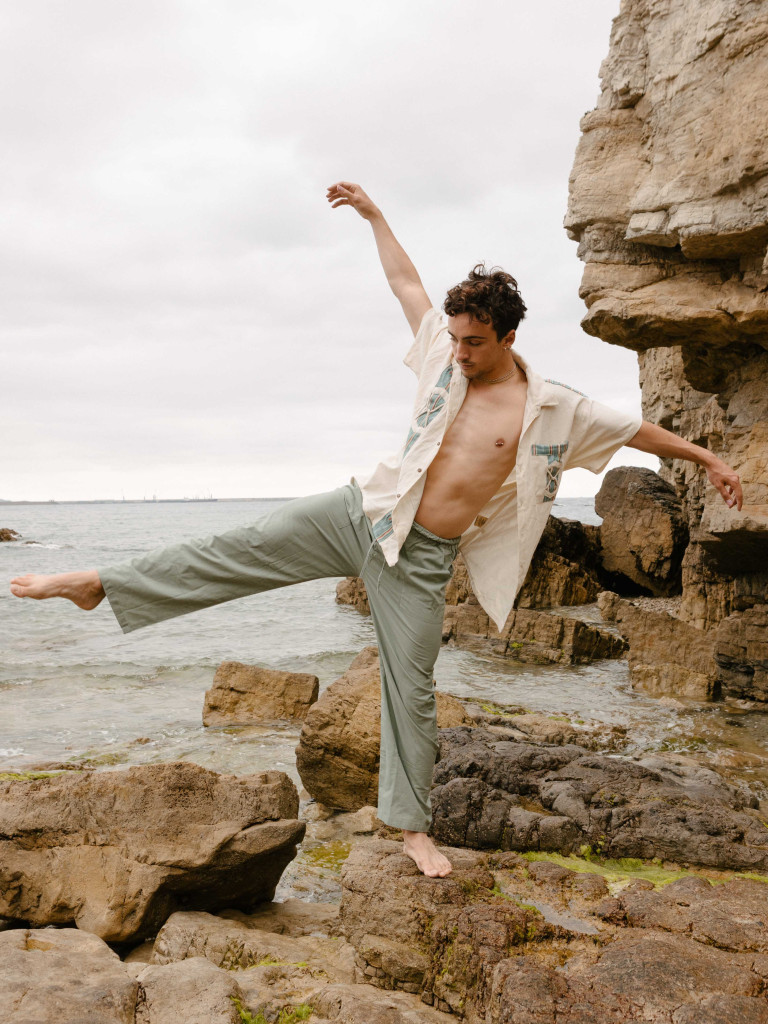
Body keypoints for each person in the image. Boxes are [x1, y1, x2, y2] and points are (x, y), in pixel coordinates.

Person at [9, 182, 743, 878]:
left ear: (509, 336)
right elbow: (404, 284)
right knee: (240, 548)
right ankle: (101, 584)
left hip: (421, 560)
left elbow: (635, 430)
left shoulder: (553, 408)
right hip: (362, 513)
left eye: (474, 342)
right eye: (454, 338)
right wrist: (374, 217)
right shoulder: (443, 357)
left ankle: (411, 828)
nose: (459, 352)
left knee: (411, 691)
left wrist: (706, 457)